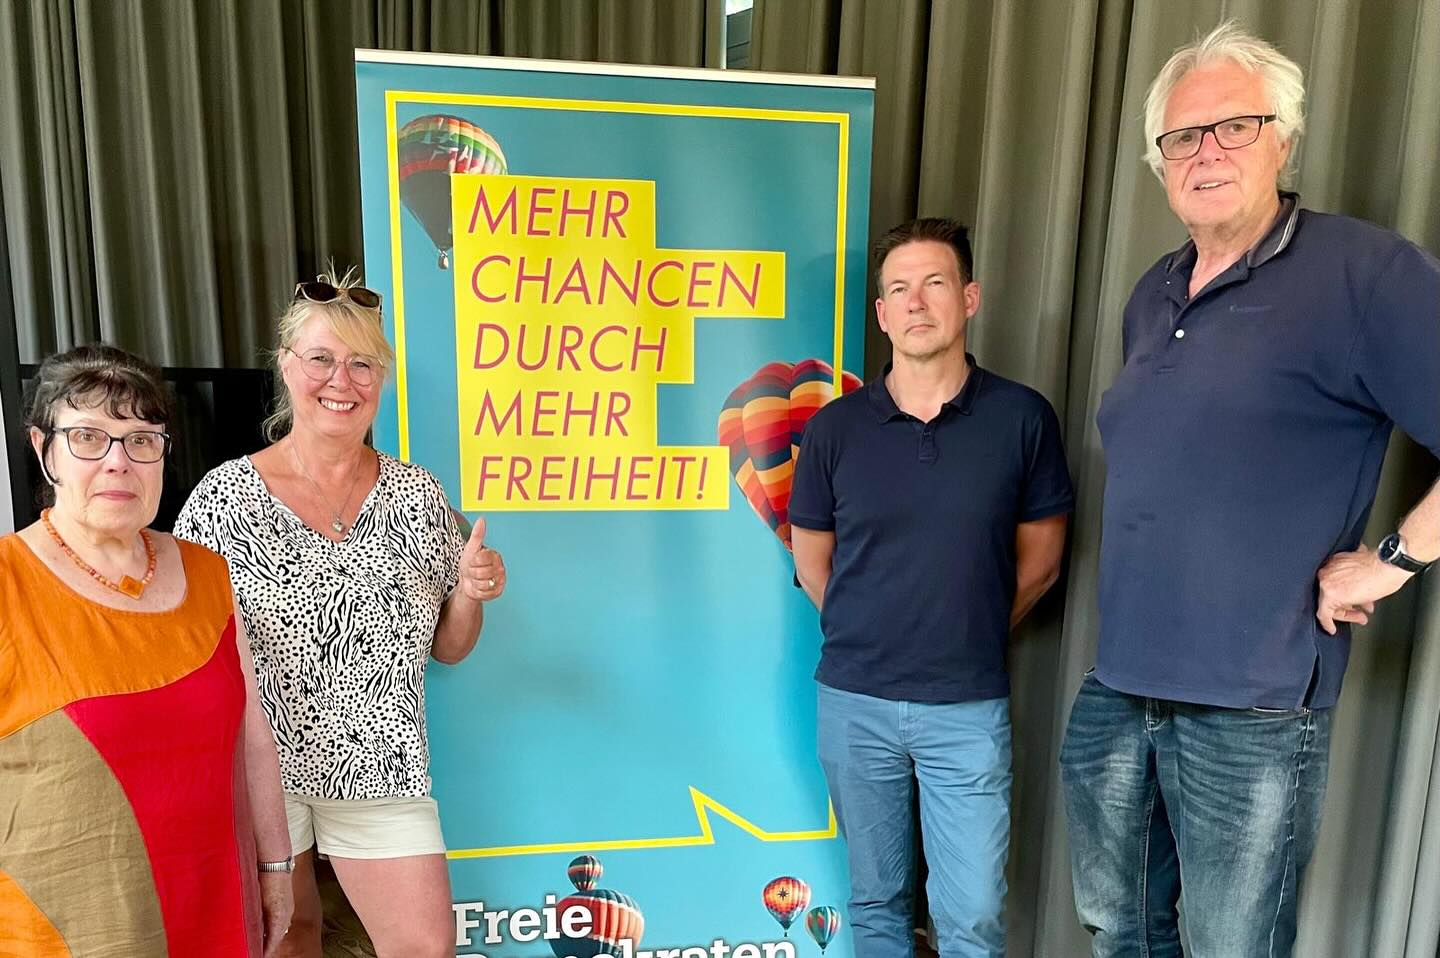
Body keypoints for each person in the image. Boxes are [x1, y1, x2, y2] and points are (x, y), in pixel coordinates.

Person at [1060, 21, 1440, 958]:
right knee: (1119, 933)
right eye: (1183, 136)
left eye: (1235, 126)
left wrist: (1393, 561)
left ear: (1284, 138)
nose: (1208, 152)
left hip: (1255, 702)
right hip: (1120, 685)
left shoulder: (1365, 274)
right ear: (1159, 163)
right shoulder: (1153, 292)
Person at [174, 271, 505, 958]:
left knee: (426, 947)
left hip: (382, 768)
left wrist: (470, 593)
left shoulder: (416, 494)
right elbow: (189, 649)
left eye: (362, 364)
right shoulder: (223, 498)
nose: (342, 381)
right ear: (285, 365)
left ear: (380, 379)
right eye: (322, 359)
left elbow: (449, 648)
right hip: (260, 773)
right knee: (287, 940)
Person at [790, 218, 1074, 957]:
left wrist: (965, 629)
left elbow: (1042, 562)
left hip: (966, 707)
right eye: (899, 289)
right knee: (877, 902)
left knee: (971, 914)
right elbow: (811, 563)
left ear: (969, 298)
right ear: (881, 313)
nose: (916, 302)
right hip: (855, 703)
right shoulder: (834, 430)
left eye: (935, 283)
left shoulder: (1022, 418)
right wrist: (872, 630)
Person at [0, 343, 293, 957]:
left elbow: (254, 736)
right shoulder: (8, 583)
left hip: (216, 907)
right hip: (66, 931)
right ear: (43, 450)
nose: (118, 462)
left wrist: (275, 867)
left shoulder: (210, 574)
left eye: (141, 439)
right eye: (88, 437)